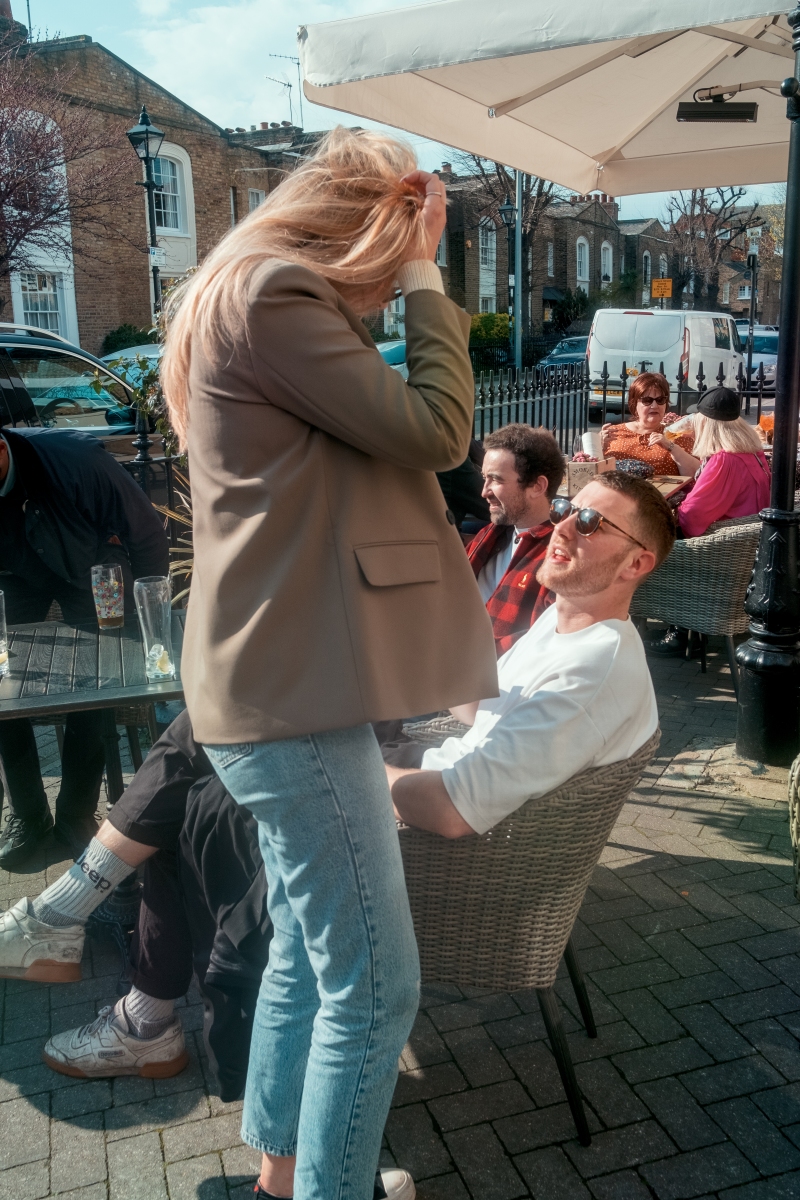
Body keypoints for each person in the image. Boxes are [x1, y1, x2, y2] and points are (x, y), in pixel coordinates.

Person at [159, 128, 498, 1200]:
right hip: (294, 705)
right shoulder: (274, 295)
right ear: (366, 227)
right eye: (393, 247)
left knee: (311, 959)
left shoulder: (244, 295)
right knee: (376, 989)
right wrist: (424, 277)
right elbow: (440, 431)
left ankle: (282, 1173)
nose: (387, 281)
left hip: (278, 692)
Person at [386, 472, 674, 834]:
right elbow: (481, 712)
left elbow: (451, 810)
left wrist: (355, 773)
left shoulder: (590, 673)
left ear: (635, 564)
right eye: (564, 509)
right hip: (439, 760)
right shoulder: (560, 618)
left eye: (590, 522)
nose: (561, 528)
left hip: (430, 806)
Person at [0, 427, 169, 867]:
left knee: (100, 678)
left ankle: (75, 814)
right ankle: (28, 816)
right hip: (15, 573)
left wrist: (151, 623)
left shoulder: (79, 462)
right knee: (0, 682)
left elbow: (147, 533)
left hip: (90, 568)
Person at [649, 386, 771, 658]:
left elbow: (692, 518)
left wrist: (672, 509)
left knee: (651, 542)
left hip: (716, 554)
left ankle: (679, 632)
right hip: (741, 549)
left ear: (707, 423)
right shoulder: (752, 451)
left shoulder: (725, 460)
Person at [467, 425, 565, 654]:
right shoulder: (492, 534)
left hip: (493, 667)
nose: (484, 491)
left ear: (537, 487)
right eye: (484, 478)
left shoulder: (560, 557)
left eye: (496, 480)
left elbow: (545, 645)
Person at [602, 372, 699, 477]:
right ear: (634, 403)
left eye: (660, 400)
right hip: (620, 486)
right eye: (647, 400)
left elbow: (696, 473)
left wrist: (671, 447)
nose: (654, 405)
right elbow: (593, 470)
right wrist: (599, 446)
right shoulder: (613, 433)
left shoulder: (677, 434)